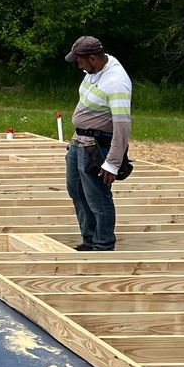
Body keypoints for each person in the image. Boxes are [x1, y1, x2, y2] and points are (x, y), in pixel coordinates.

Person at [64, 35, 132, 251]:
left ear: (92, 58)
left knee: (97, 195)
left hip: (97, 146)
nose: (78, 65)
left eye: (80, 61)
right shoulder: (93, 71)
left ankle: (103, 244)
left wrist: (112, 162)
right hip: (80, 141)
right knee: (76, 189)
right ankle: (89, 239)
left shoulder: (116, 82)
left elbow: (122, 126)